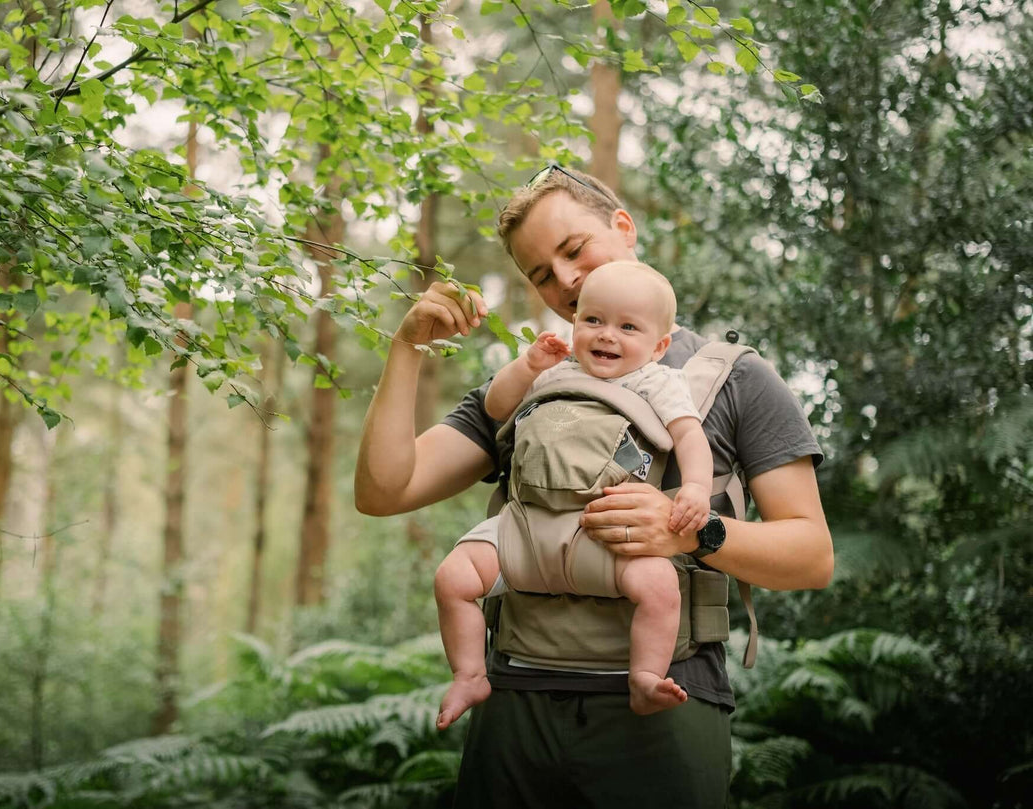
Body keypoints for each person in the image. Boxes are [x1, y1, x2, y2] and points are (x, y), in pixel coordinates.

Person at [355, 165, 833, 808]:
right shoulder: (533, 383)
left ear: (624, 227)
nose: (566, 279)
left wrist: (691, 529)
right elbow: (385, 491)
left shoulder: (732, 379)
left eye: (574, 250)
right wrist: (407, 348)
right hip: (516, 700)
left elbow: (811, 556)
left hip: (665, 704)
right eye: (541, 274)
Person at [434, 260, 713, 728]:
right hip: (524, 526)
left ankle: (644, 677)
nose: (607, 335)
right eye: (593, 320)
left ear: (658, 346)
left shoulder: (655, 381)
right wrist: (528, 365)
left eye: (628, 327)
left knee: (661, 587)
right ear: (575, 322)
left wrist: (697, 489)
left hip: (602, 531)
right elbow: (497, 408)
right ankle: (469, 673)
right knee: (452, 579)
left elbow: (689, 437)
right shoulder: (555, 374)